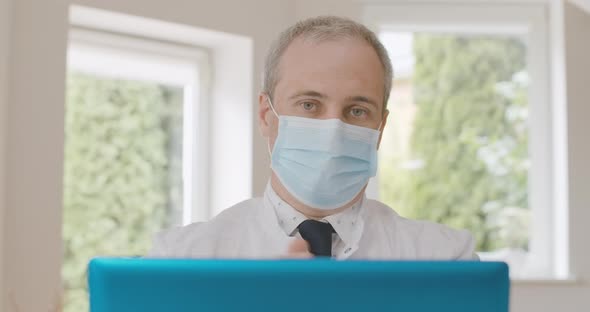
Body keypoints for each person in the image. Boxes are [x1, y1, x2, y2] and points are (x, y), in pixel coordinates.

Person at [148, 16, 477, 260]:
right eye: (309, 105)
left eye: (357, 110)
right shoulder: (181, 258)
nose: (333, 129)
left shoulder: (446, 259)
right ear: (267, 115)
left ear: (380, 128)